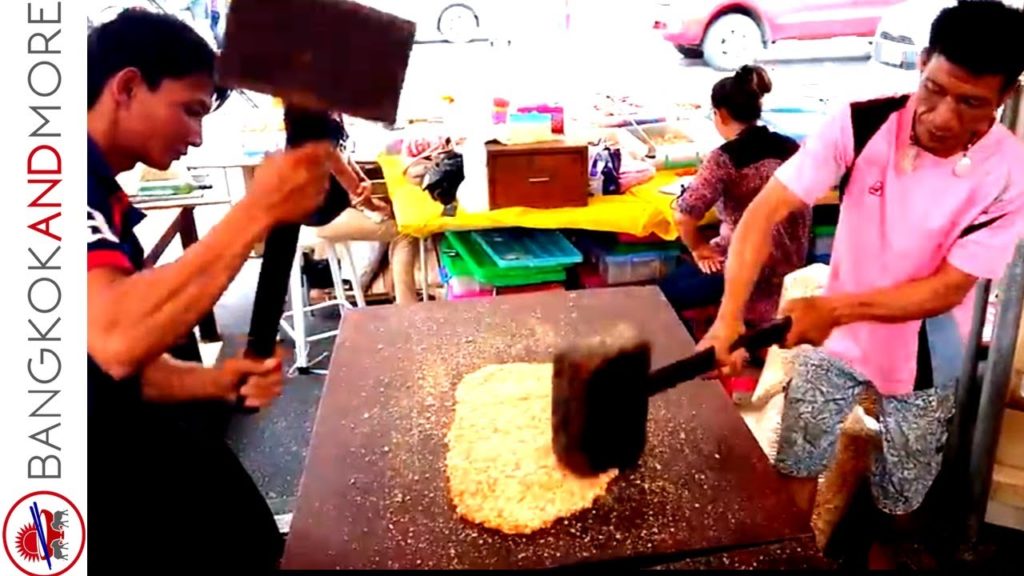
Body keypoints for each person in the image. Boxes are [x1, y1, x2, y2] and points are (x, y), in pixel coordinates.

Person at [700, 0, 1024, 566]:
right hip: (833, 342)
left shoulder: (1010, 174)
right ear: (922, 64)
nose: (943, 117)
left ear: (1005, 97)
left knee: (902, 487)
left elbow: (947, 289)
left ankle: (883, 548)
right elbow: (761, 214)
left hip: (927, 352)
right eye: (935, 88)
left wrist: (836, 308)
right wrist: (728, 316)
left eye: (971, 103)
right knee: (797, 461)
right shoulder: (862, 121)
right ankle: (791, 556)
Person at [87, 11, 339, 570]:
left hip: (117, 426)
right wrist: (259, 208)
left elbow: (101, 364)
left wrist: (212, 380)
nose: (197, 136)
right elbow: (115, 337)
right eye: (190, 110)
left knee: (245, 534)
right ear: (127, 86)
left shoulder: (98, 189)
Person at [659, 65, 808, 330]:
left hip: (744, 269)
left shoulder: (724, 159)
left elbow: (683, 216)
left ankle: (701, 355)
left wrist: (698, 248)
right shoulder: (792, 148)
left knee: (660, 296)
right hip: (793, 268)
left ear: (721, 114)